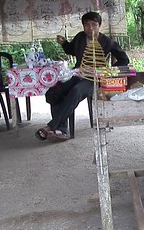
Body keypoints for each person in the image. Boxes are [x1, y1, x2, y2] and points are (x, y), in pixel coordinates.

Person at [35, 11, 129, 141]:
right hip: (77, 74)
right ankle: (61, 129)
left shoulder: (107, 42)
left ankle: (50, 127)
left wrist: (107, 72)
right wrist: (64, 43)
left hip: (95, 79)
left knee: (76, 91)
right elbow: (72, 50)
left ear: (99, 25)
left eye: (94, 24)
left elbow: (124, 60)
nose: (90, 28)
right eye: (87, 25)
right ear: (83, 26)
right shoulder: (80, 37)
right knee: (54, 92)